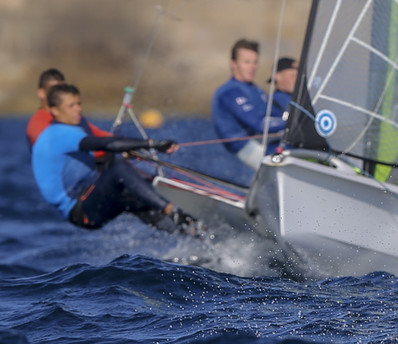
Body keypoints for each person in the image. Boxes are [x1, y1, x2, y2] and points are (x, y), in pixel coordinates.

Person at [31, 84, 199, 234]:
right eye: (71, 106)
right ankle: (173, 210)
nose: (78, 109)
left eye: (79, 103)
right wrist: (153, 144)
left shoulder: (71, 130)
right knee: (119, 169)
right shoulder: (58, 134)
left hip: (89, 196)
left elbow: (101, 154)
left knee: (135, 194)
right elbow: (107, 144)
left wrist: (128, 148)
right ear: (54, 111)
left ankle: (195, 232)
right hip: (80, 211)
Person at [212, 38, 271, 169]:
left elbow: (275, 115)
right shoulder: (229, 92)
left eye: (255, 62)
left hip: (260, 144)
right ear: (234, 63)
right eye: (247, 62)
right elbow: (259, 124)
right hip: (242, 151)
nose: (252, 67)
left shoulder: (257, 90)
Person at [26, 68, 112, 148]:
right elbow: (60, 146)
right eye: (54, 90)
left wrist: (119, 141)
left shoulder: (74, 118)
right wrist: (111, 147)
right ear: (41, 93)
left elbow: (99, 134)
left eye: (63, 89)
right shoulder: (38, 124)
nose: (60, 93)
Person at [269, 57, 298, 127]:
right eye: (293, 76)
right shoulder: (273, 102)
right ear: (277, 76)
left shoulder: (298, 98)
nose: (297, 80)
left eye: (298, 76)